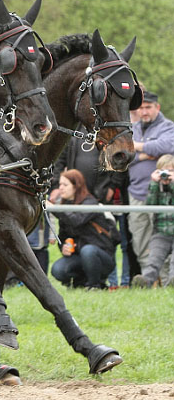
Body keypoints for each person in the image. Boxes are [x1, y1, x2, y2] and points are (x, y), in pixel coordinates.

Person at [127, 91, 174, 271]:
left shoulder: (168, 127)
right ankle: (150, 280)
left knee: (163, 239)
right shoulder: (133, 128)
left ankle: (167, 279)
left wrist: (137, 146)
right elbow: (125, 156)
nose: (144, 112)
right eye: (141, 108)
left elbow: (168, 146)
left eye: (148, 107)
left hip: (163, 194)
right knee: (139, 239)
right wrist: (147, 155)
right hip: (137, 194)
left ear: (157, 107)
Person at [50, 169, 118, 290]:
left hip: (102, 257)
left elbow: (76, 220)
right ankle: (79, 283)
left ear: (76, 186)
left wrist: (55, 209)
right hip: (79, 256)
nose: (61, 188)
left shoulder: (90, 203)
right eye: (60, 184)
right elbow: (63, 236)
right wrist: (63, 247)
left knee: (88, 251)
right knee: (57, 269)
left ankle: (94, 286)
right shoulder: (65, 207)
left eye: (65, 185)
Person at [131, 154, 174, 288]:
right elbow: (150, 205)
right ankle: (145, 282)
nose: (166, 175)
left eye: (170, 171)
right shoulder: (155, 186)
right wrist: (155, 184)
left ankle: (172, 282)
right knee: (153, 259)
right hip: (161, 231)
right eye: (163, 171)